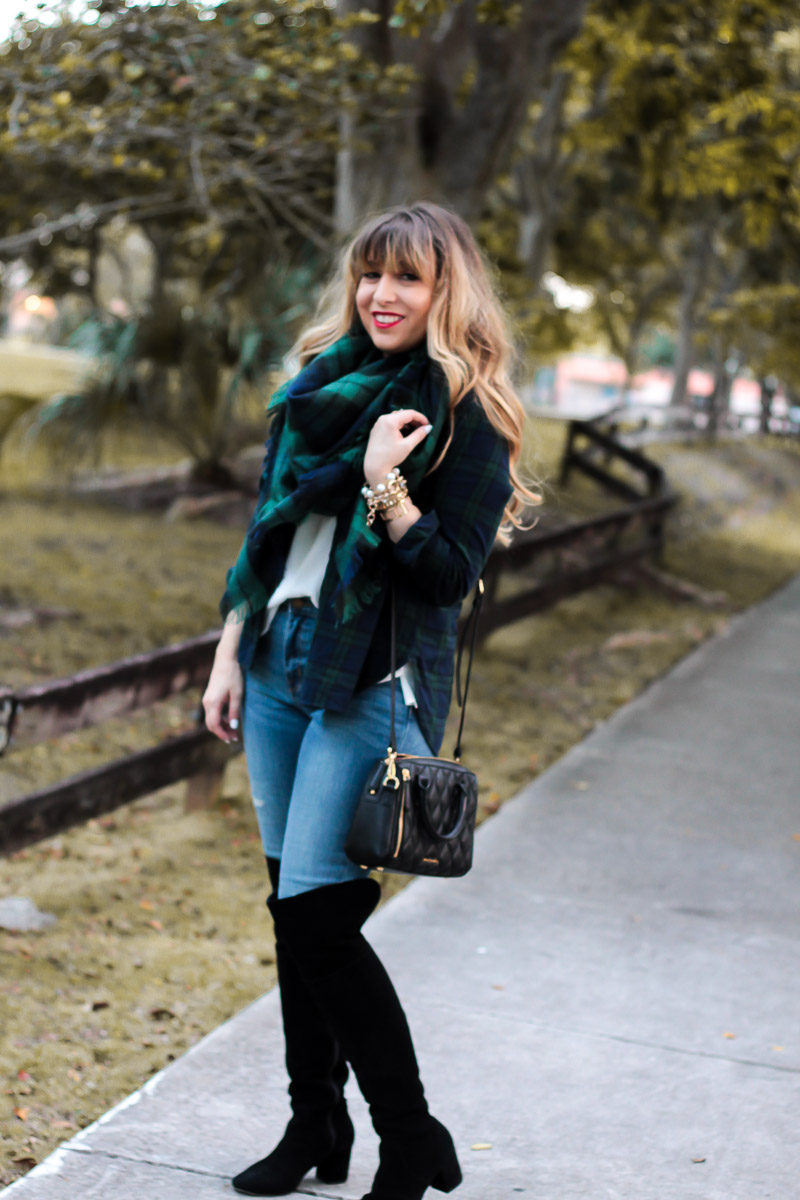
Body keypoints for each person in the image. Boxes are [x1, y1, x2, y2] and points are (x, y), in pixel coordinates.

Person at [202, 201, 536, 1200]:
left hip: (370, 683)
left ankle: (408, 1136)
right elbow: (264, 538)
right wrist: (228, 653)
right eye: (369, 273)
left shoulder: (467, 418)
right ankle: (317, 1127)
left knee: (316, 916)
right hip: (277, 663)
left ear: (447, 292)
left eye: (407, 278)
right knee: (290, 908)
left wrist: (385, 488)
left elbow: (445, 579)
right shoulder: (313, 390)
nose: (382, 295)